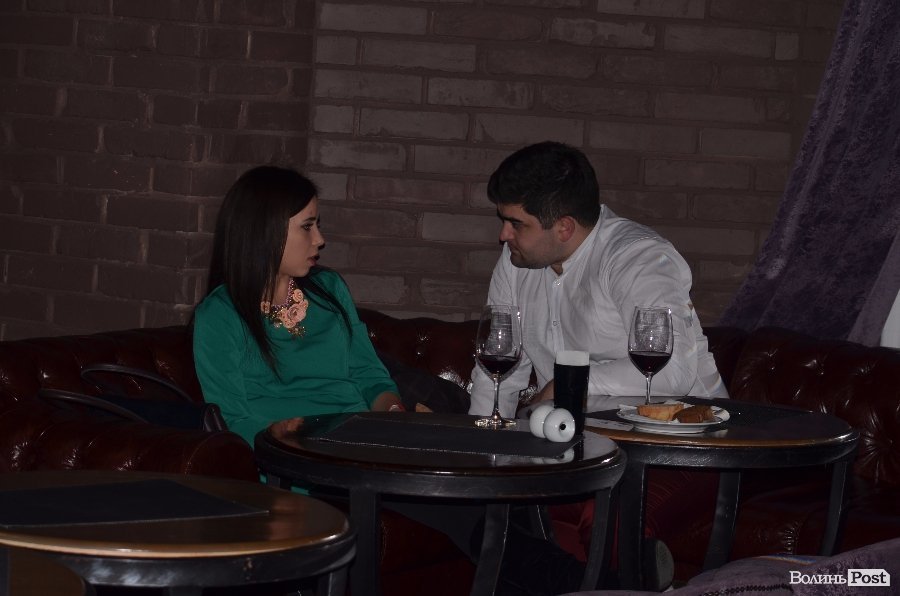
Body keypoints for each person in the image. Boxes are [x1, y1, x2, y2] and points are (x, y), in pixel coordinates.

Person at [469, 141, 727, 419]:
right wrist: (478, 440)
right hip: (579, 434)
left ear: (564, 228)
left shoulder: (637, 257)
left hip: (690, 433)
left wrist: (572, 381)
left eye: (516, 224)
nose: (504, 235)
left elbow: (673, 371)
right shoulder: (516, 261)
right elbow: (498, 375)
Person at [192, 165, 403, 447]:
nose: (319, 240)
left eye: (317, 225)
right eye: (307, 227)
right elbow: (232, 420)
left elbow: (370, 376)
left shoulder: (329, 288)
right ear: (264, 231)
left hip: (357, 440)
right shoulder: (219, 315)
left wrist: (394, 414)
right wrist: (281, 437)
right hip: (286, 454)